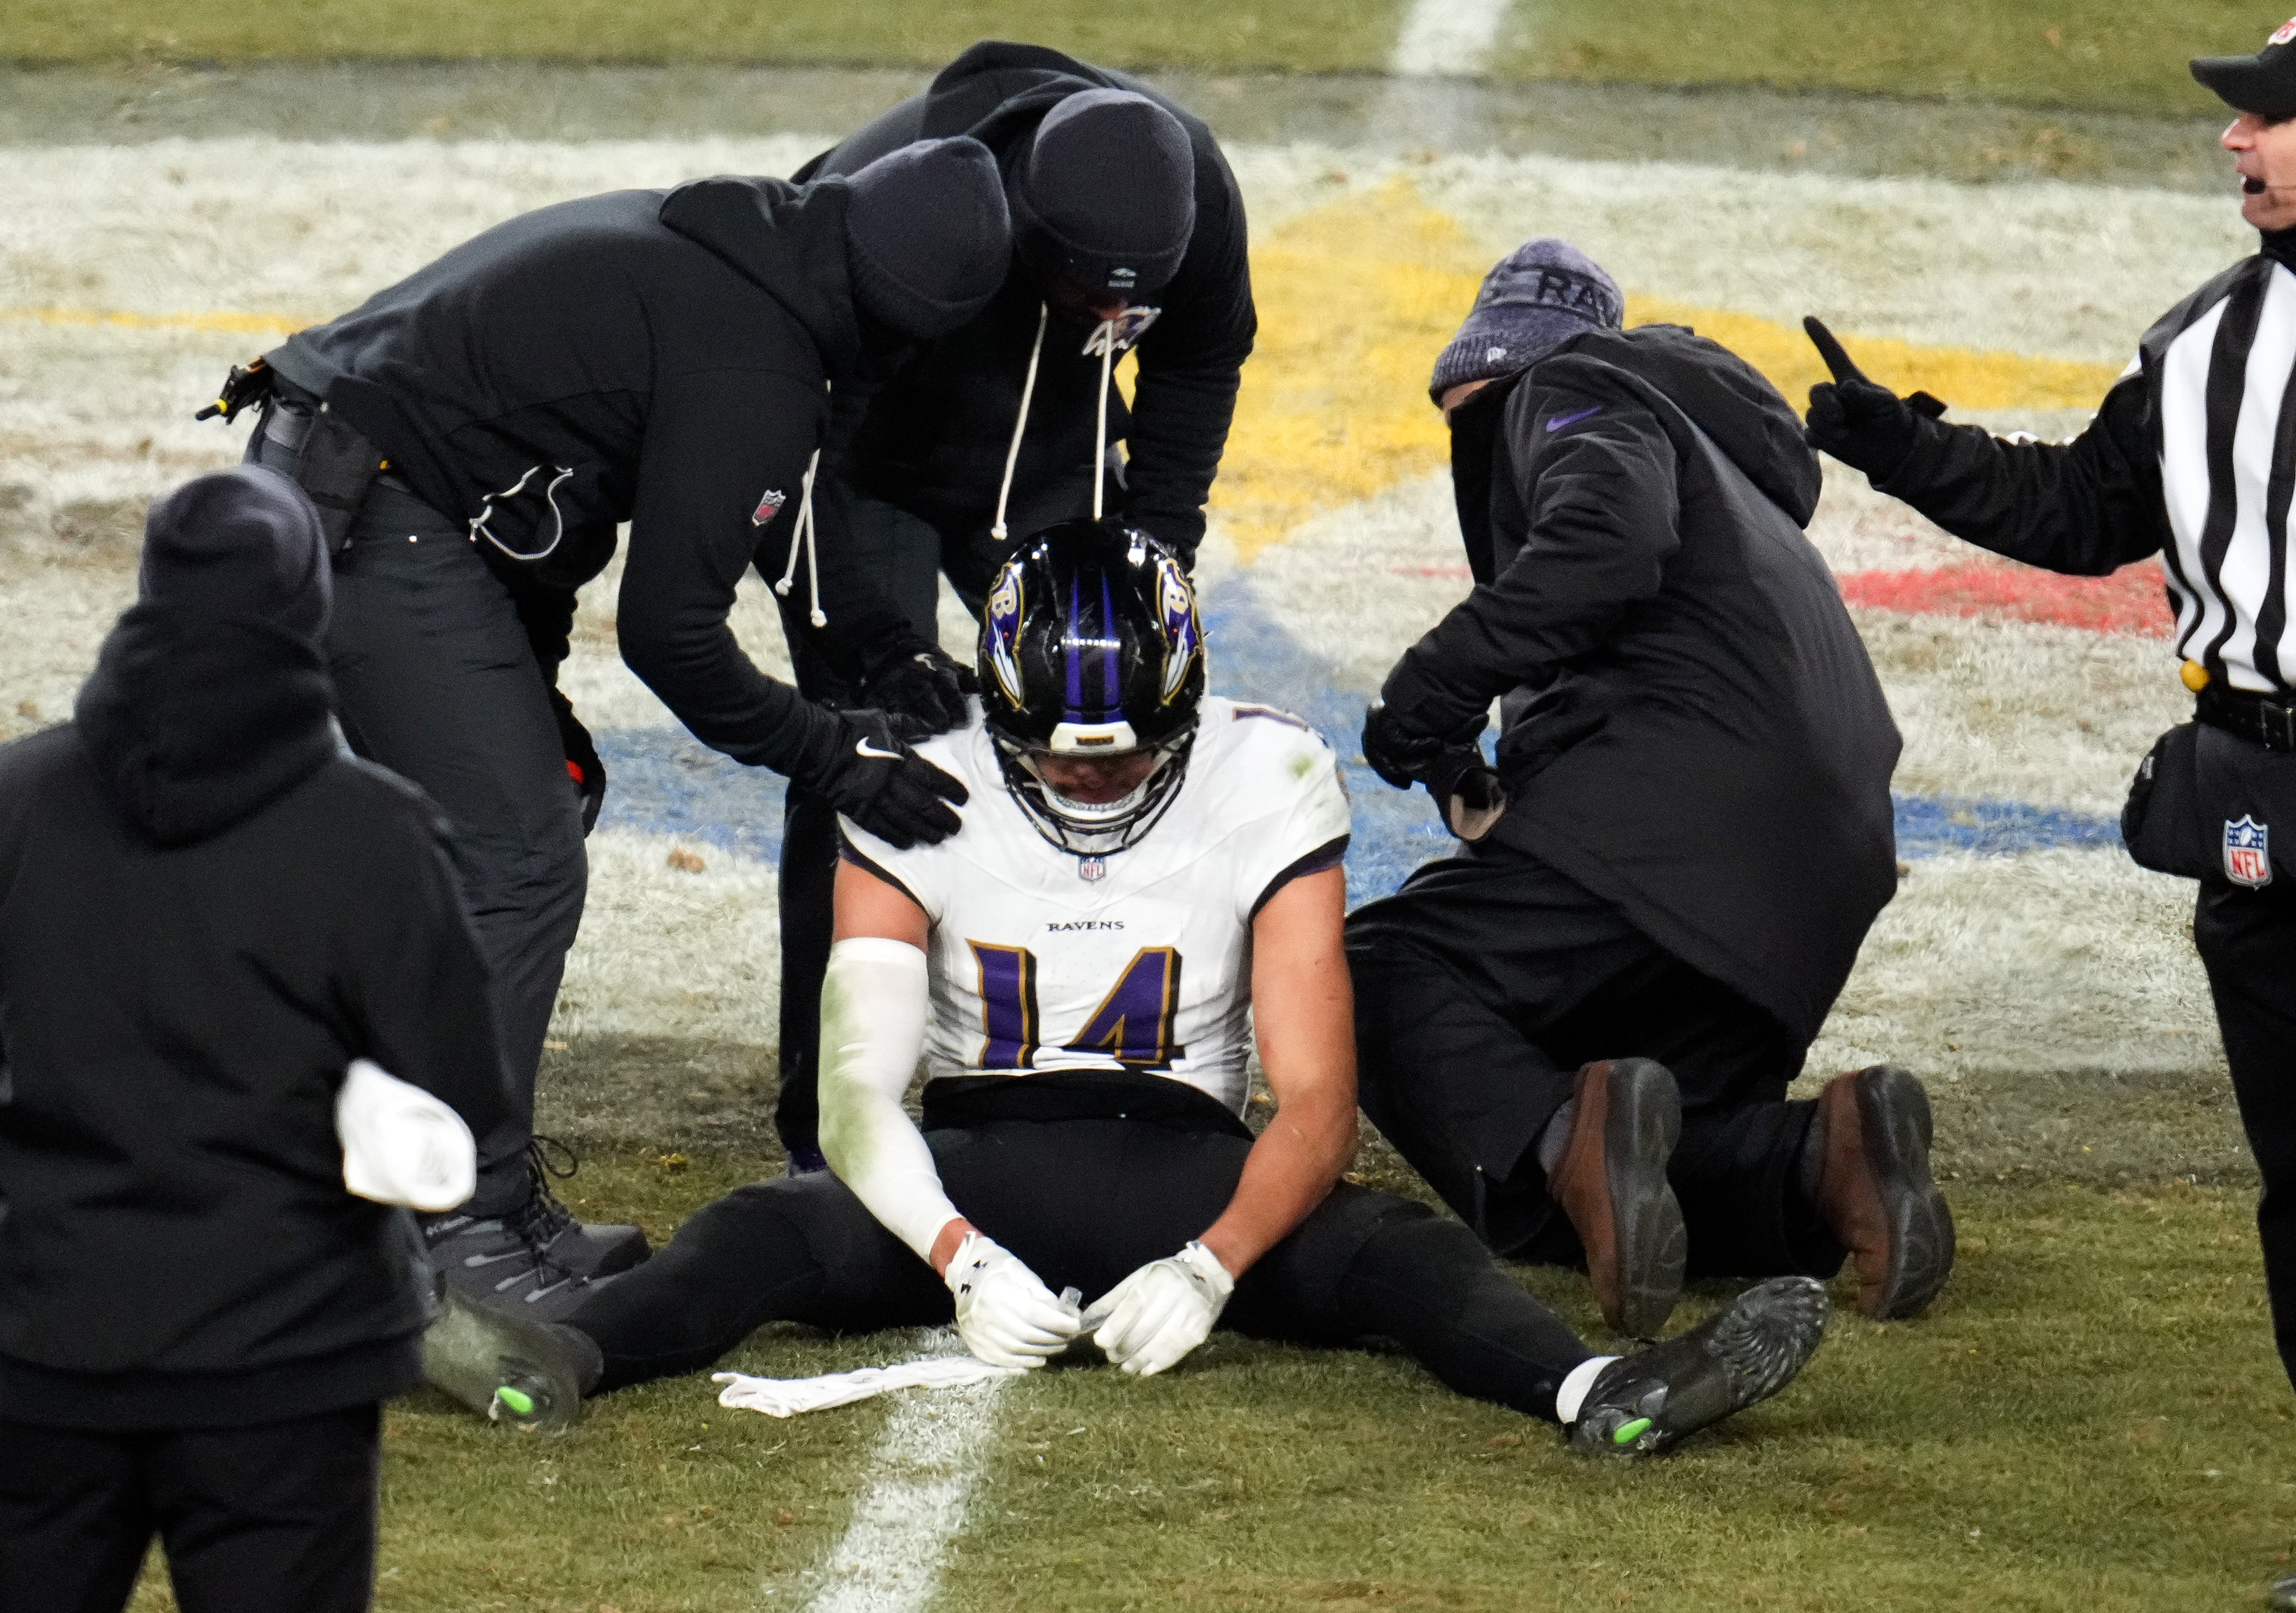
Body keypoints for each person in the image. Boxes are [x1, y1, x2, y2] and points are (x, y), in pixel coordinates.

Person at [421, 520, 1832, 1457]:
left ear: (1187, 705)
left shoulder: (1264, 773)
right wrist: (957, 1258)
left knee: (1403, 1259)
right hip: (965, 1170)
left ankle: (1597, 1391)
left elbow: (1318, 1099)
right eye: (1055, 753)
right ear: (996, 706)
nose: (1088, 783)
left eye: (1123, 755)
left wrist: (1211, 1265)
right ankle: (548, 1356)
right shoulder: (921, 779)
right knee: (751, 1237)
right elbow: (853, 1096)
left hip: (1187, 1171)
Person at [203, 137, 1011, 1306]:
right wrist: (835, 757)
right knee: (519, 860)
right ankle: (455, 1226)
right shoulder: (758, 358)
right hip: (373, 510)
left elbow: (717, 504)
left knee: (514, 823)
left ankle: (415, 1194)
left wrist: (884, 648)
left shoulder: (754, 258)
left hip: (364, 482)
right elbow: (671, 636)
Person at [1801, 25, 2296, 1604]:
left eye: (2271, 119)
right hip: (2257, 805)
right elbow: (2082, 511)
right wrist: (1905, 449)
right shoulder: (2202, 343)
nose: (2234, 141)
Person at [0, 469, 511, 1613]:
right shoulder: (375, 831)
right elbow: (461, 1093)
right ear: (307, 607)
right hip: (284, 1367)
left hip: (55, 1346)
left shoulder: (8, 795)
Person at [1349, 238, 1953, 1340]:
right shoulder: (1734, 481)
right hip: (1815, 876)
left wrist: (1428, 689)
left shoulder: (1566, 385)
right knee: (1646, 1127)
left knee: (1373, 974)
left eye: (1464, 416)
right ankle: (1822, 1160)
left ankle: (1559, 1142)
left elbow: (1603, 544)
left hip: (1674, 815)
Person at [768, 41, 1260, 1172]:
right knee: (866, 752)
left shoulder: (1194, 196)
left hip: (1049, 455)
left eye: (1129, 300)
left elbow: (1197, 368)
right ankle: (828, 1122)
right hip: (861, 460)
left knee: (1114, 711)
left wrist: (1154, 555)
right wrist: (879, 645)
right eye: (1088, 294)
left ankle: (1088, 1076)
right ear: (1024, 238)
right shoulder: (912, 209)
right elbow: (798, 449)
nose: (1111, 311)